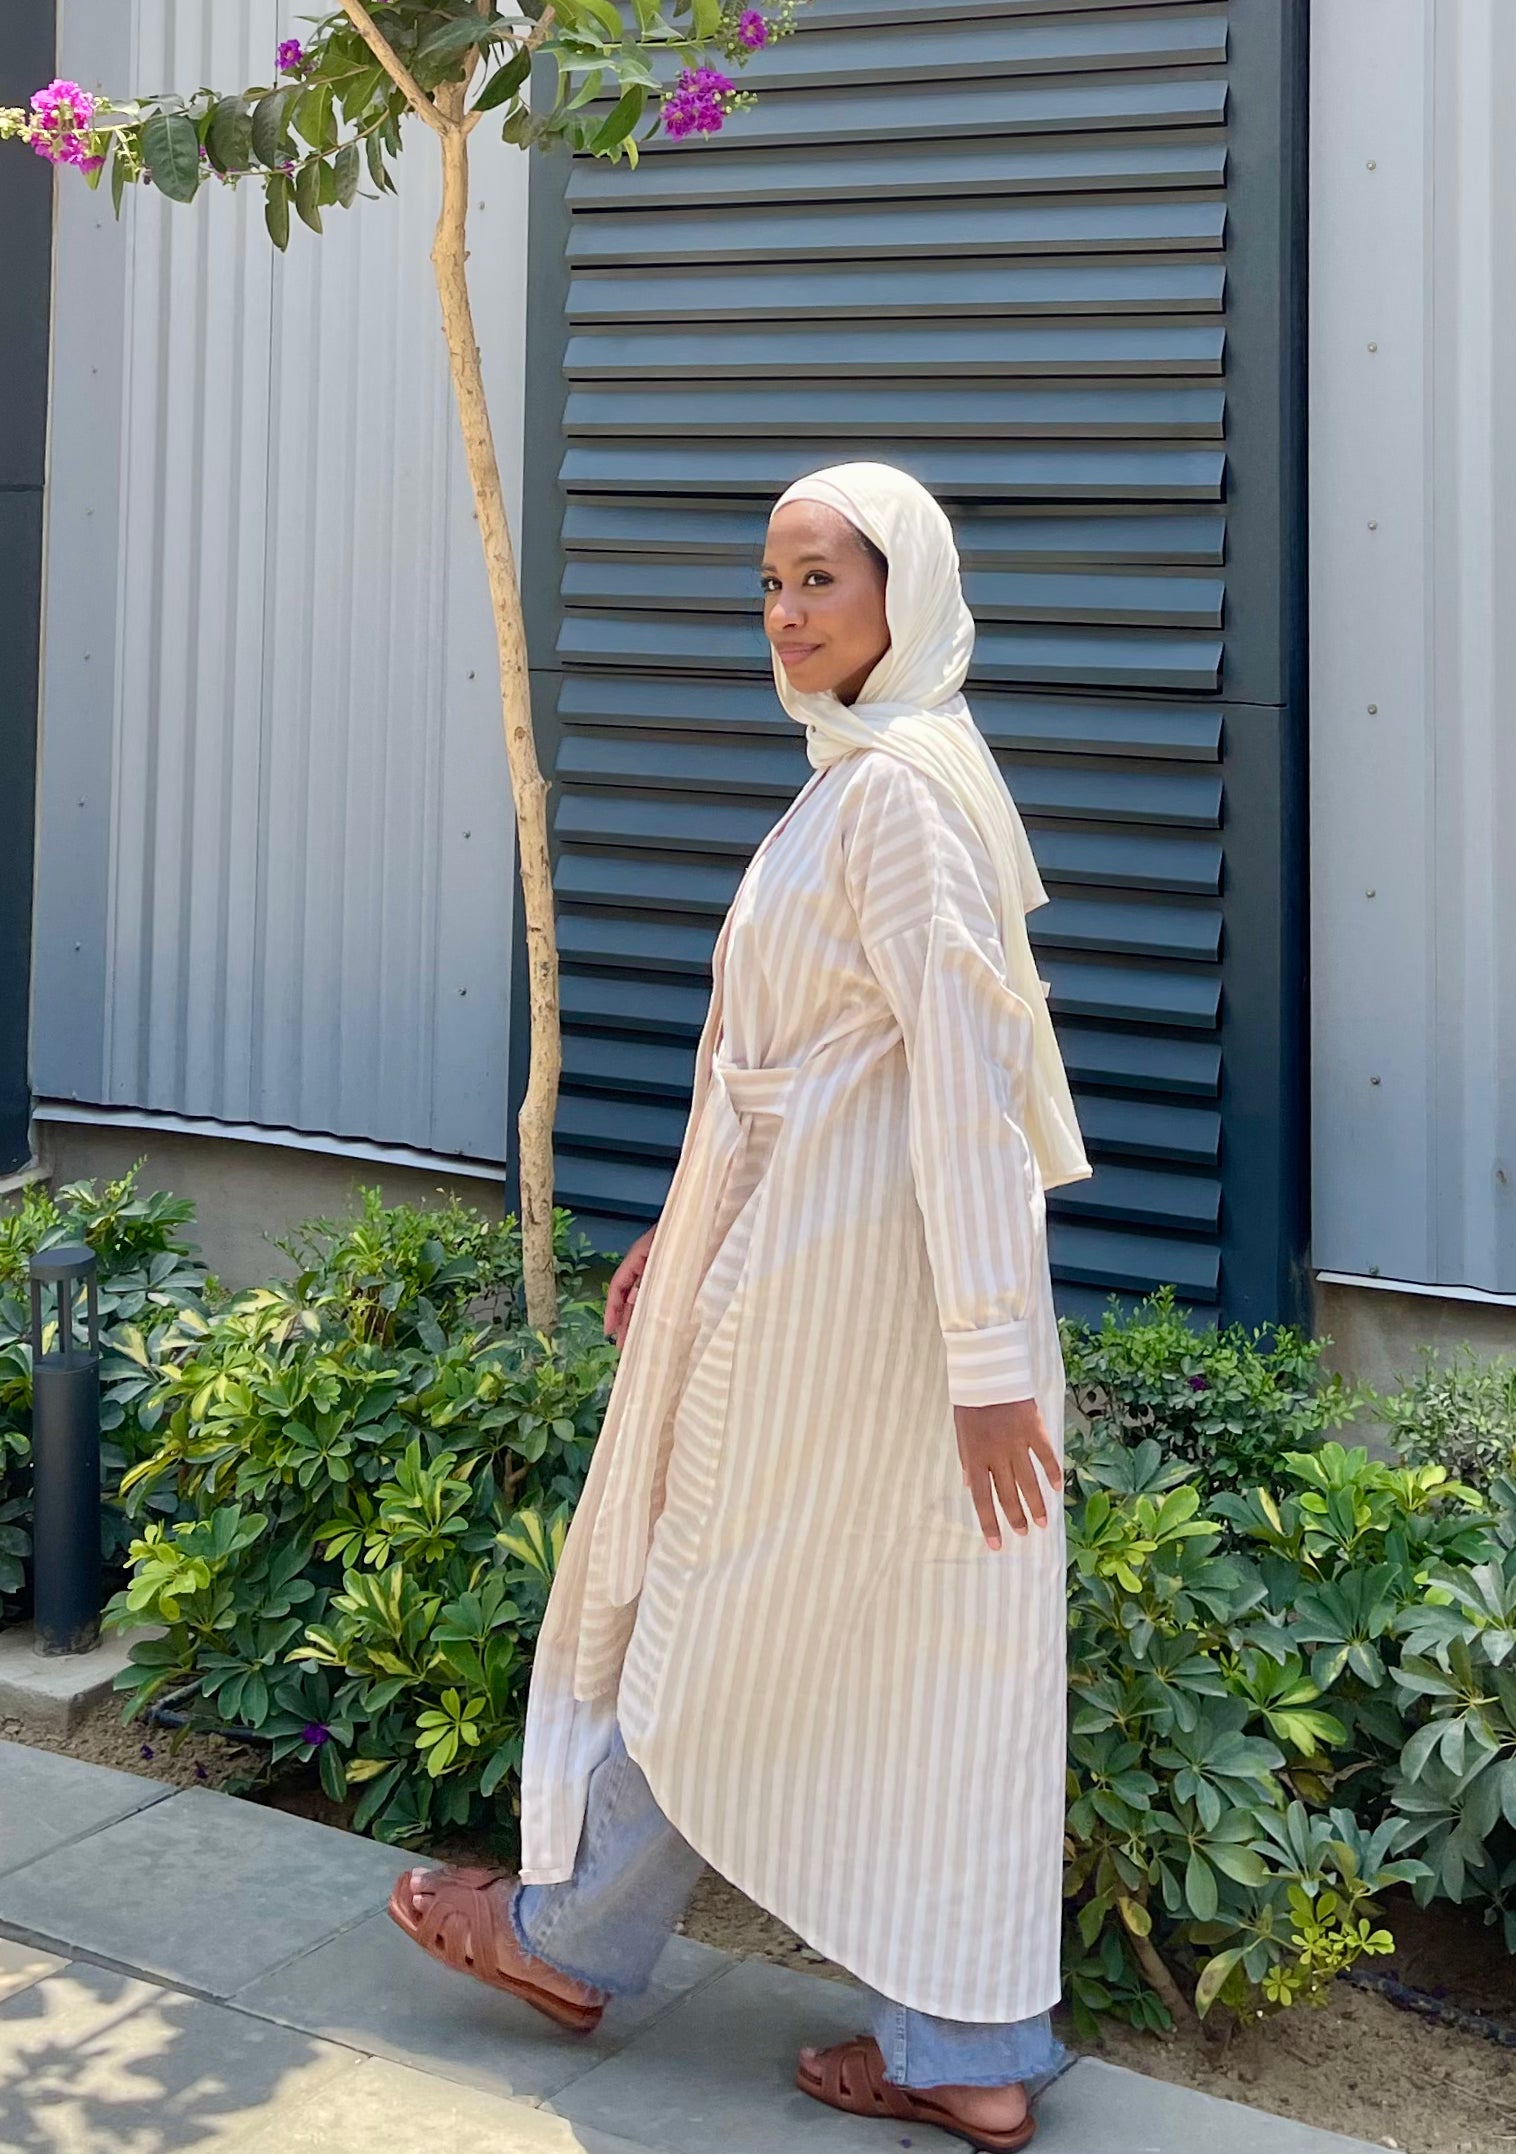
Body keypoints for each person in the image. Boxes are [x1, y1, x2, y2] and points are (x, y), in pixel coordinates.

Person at [389, 462, 1092, 2152]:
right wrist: (678, 1228)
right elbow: (785, 1063)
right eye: (770, 584)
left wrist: (992, 1363)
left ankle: (571, 1937)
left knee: (716, 1603)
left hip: (852, 1302)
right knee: (905, 1639)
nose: (785, 615)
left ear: (903, 592)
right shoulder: (869, 775)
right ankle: (964, 2048)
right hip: (825, 1273)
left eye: (819, 580)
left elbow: (966, 1090)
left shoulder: (897, 795)